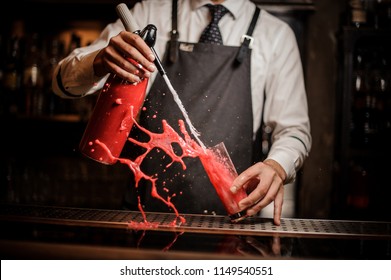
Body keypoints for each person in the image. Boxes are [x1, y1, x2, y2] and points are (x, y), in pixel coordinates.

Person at [52, 0, 311, 226]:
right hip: (147, 218)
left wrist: (277, 166)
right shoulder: (147, 13)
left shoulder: (276, 34)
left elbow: (294, 130)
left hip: (232, 225)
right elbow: (61, 81)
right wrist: (98, 62)